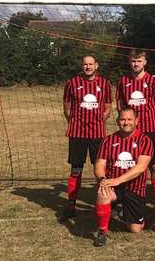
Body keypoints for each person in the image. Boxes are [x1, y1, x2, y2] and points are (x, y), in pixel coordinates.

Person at [60, 55, 112, 222]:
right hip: (77, 134)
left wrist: (97, 122)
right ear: (82, 66)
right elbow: (67, 109)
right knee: (76, 170)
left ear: (96, 65)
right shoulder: (72, 83)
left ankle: (101, 203)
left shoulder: (104, 84)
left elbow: (108, 108)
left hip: (97, 135)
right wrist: (76, 123)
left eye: (91, 64)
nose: (88, 67)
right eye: (85, 64)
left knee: (100, 171)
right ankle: (71, 206)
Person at [92, 108, 153, 247]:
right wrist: (102, 179)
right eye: (122, 119)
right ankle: (103, 232)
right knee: (102, 192)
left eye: (129, 119)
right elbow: (99, 163)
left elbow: (141, 167)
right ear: (117, 121)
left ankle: (122, 210)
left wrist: (117, 180)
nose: (126, 122)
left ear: (137, 121)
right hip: (114, 187)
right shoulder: (108, 140)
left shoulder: (145, 140)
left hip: (134, 189)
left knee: (135, 229)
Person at [116, 50, 155, 212]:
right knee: (129, 165)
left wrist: (150, 120)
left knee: (154, 167)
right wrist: (129, 124)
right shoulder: (123, 81)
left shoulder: (153, 81)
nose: (136, 64)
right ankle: (129, 200)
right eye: (133, 61)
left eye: (139, 61)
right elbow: (119, 105)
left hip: (150, 131)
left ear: (145, 62)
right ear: (129, 62)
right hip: (130, 133)